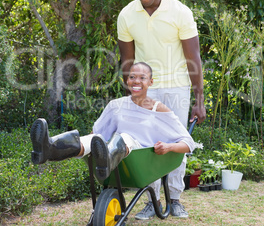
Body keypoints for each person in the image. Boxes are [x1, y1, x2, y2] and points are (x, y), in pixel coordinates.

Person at [117, 0, 206, 220]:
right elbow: (127, 60)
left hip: (177, 86)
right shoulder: (126, 15)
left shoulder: (180, 12)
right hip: (147, 87)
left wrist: (199, 101)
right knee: (146, 143)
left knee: (178, 142)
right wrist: (133, 93)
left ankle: (175, 199)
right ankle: (152, 199)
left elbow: (194, 58)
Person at [31, 63, 196, 195]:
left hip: (139, 157)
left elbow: (188, 142)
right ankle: (50, 149)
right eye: (132, 77)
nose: (136, 81)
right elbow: (97, 134)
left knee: (124, 137)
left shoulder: (159, 110)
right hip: (115, 153)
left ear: (150, 82)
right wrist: (87, 144)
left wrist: (169, 147)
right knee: (93, 139)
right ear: (127, 80)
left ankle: (107, 159)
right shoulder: (116, 105)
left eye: (142, 78)